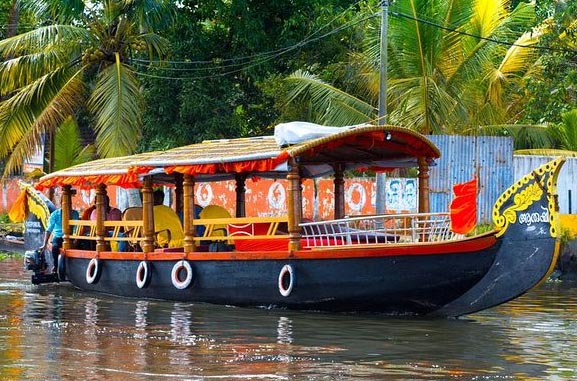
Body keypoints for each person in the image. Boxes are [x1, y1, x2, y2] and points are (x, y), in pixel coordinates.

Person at [40, 201, 79, 273]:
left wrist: (76, 239)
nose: (67, 206)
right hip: (58, 237)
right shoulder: (55, 214)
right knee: (55, 247)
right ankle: (55, 266)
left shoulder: (75, 213)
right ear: (61, 203)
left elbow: (77, 228)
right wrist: (44, 244)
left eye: (69, 204)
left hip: (71, 236)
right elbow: (49, 230)